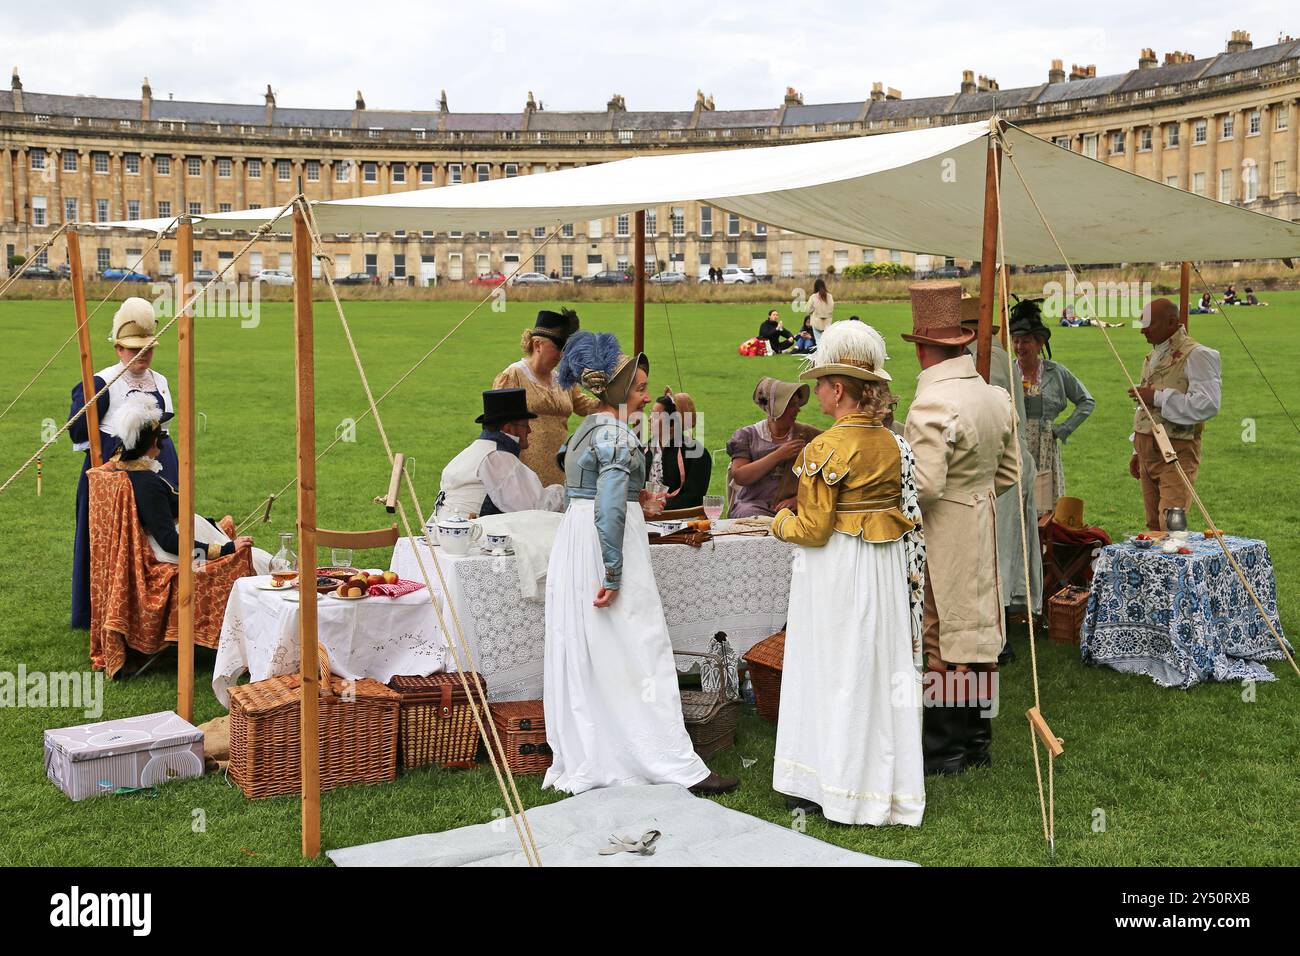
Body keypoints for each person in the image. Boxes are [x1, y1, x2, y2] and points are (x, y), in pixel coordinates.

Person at [544, 331, 737, 796]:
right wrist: (612, 572)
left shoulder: (591, 427)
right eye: (639, 389)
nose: (648, 396)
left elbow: (585, 486)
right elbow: (607, 507)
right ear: (615, 391)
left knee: (601, 649)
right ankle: (666, 758)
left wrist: (640, 496)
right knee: (638, 642)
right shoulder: (615, 435)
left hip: (580, 536)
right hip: (604, 541)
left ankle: (607, 747)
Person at [770, 321, 926, 826]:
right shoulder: (893, 443)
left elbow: (813, 530)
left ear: (839, 390)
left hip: (834, 569)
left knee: (829, 665)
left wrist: (778, 522)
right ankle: (875, 782)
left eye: (820, 382)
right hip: (882, 566)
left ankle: (823, 780)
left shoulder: (824, 449)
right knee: (874, 667)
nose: (816, 390)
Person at [901, 281, 1019, 776]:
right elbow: (1010, 474)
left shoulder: (931, 404)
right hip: (983, 521)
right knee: (978, 633)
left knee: (942, 635)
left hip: (944, 528)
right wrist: (976, 494)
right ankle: (977, 741)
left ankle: (945, 749)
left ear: (925, 349)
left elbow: (924, 487)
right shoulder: (994, 396)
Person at [67, 297, 178, 630]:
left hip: (159, 469)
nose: (142, 356)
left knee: (161, 535)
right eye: (134, 350)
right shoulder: (100, 382)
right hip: (114, 477)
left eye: (148, 350)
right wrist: (124, 449)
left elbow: (165, 427)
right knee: (113, 543)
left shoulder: (160, 381)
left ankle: (153, 614)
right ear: (118, 348)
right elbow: (78, 434)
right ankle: (102, 613)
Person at [111, 392, 268, 571]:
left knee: (261, 559)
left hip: (186, 538)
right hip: (179, 551)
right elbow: (168, 541)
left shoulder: (125, 466)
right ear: (155, 441)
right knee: (260, 562)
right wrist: (226, 549)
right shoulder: (147, 484)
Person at [959, 295, 1043, 625]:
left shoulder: (987, 359)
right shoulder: (997, 356)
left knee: (995, 544)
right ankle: (1001, 616)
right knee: (1003, 542)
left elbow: (986, 419)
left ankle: (997, 624)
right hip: (1008, 458)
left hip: (998, 462)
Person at [1127, 299, 1221, 531]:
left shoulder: (1199, 355)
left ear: (1171, 322)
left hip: (1176, 450)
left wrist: (1157, 397)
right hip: (1147, 448)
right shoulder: (1150, 357)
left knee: (1171, 523)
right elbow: (1145, 408)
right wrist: (1136, 449)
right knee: (1152, 526)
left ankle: (1175, 564)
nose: (1142, 330)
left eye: (1149, 324)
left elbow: (1208, 404)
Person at [1010, 298, 1095, 515]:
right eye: (1016, 340)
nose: (1020, 347)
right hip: (1014, 448)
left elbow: (1086, 401)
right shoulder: (1007, 372)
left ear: (1039, 343)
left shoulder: (1055, 372)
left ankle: (1043, 546)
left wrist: (1062, 429)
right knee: (1015, 507)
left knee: (1043, 506)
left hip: (1044, 447)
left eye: (1026, 341)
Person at [492, 308, 595, 486]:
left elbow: (585, 405)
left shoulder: (563, 379)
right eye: (558, 348)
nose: (562, 356)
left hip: (560, 470)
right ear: (537, 344)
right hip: (523, 474)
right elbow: (497, 427)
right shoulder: (513, 375)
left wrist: (614, 398)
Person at [435, 388, 564, 520]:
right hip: (472, 534)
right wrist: (566, 492)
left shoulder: (474, 450)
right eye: (525, 425)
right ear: (508, 427)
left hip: (447, 528)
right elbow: (536, 507)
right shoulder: (496, 457)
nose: (530, 431)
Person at [726, 377, 821, 518]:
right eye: (792, 405)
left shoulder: (809, 435)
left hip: (795, 509)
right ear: (777, 409)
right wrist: (779, 455)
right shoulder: (747, 435)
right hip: (754, 506)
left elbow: (824, 478)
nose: (798, 410)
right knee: (751, 518)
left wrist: (799, 500)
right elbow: (740, 476)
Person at [647, 389, 712, 510]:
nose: (650, 419)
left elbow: (693, 498)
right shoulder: (643, 451)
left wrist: (660, 507)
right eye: (651, 413)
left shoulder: (697, 454)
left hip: (679, 519)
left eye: (656, 415)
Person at [803, 277, 834, 347]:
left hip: (816, 321)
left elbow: (807, 310)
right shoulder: (829, 296)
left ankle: (820, 356)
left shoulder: (813, 297)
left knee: (818, 341)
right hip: (827, 322)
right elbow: (831, 308)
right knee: (827, 341)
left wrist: (813, 310)